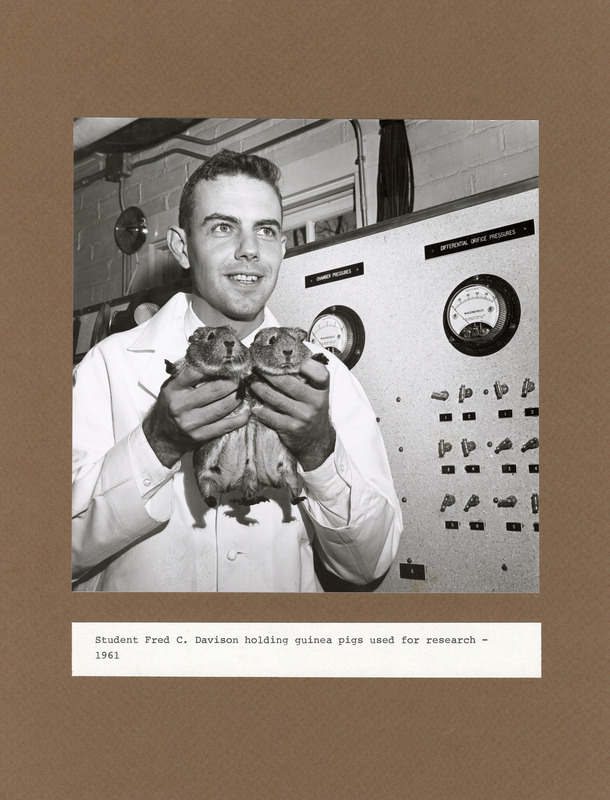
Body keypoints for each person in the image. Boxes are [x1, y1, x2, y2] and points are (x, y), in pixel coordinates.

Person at [72, 150, 403, 591]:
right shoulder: (108, 366)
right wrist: (158, 441)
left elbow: (369, 563)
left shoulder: (327, 377)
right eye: (223, 227)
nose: (250, 250)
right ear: (182, 248)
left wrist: (317, 447)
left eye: (265, 230)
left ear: (282, 249)